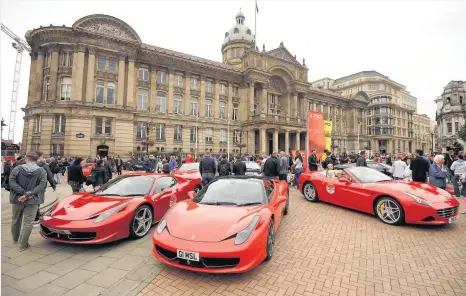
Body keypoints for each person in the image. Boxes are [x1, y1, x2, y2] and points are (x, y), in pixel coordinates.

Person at [8, 151, 47, 251]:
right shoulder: (42, 171)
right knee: (28, 222)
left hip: (17, 198)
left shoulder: (17, 169)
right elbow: (42, 185)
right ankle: (22, 244)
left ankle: (15, 239)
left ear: (26, 159)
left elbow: (11, 181)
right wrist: (29, 194)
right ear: (37, 160)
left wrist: (22, 192)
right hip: (33, 199)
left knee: (16, 219)